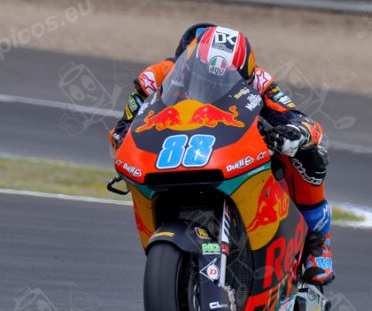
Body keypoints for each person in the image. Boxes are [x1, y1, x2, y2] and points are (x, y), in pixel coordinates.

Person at [110, 24, 334, 285]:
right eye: (207, 77)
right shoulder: (157, 76)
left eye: (227, 78)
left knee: (309, 154)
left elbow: (302, 120)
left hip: (233, 149)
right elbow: (123, 128)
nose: (215, 84)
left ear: (246, 74)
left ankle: (318, 244)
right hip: (173, 152)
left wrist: (295, 133)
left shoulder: (261, 81)